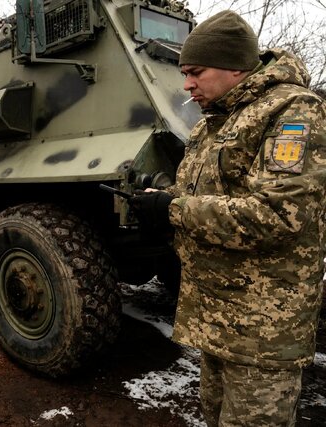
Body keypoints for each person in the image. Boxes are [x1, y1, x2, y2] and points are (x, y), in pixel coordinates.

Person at [129, 10, 326, 427]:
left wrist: (174, 211)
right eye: (184, 73)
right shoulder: (213, 121)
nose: (186, 84)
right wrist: (162, 201)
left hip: (263, 331)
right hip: (217, 318)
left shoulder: (293, 112)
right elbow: (204, 194)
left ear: (235, 66)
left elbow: (277, 216)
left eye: (196, 72)